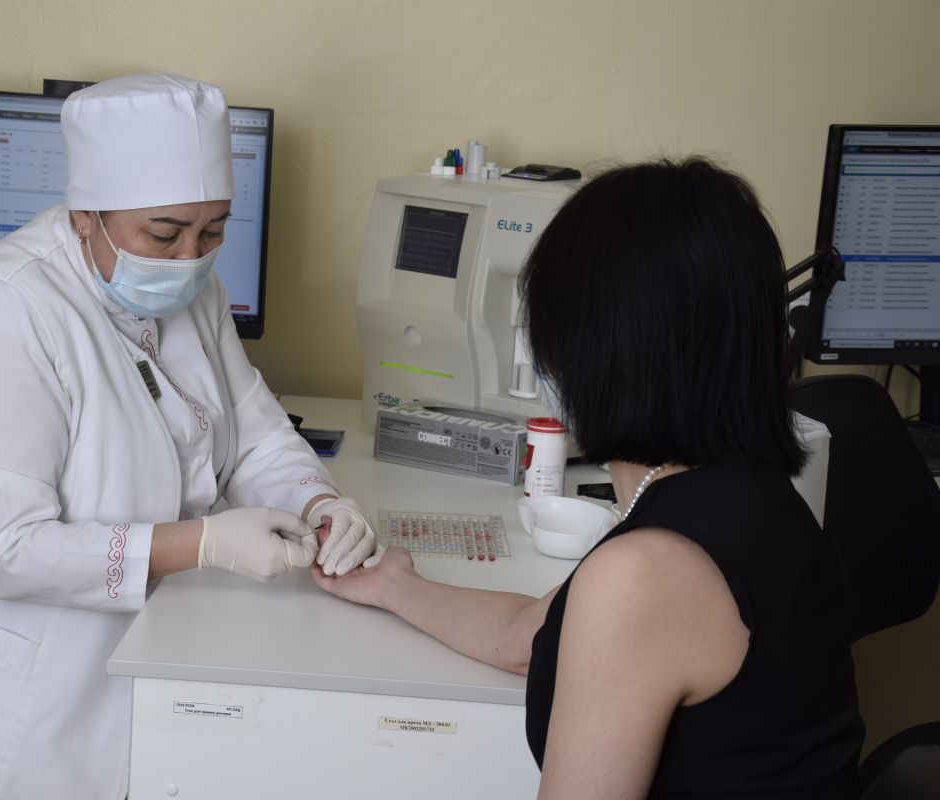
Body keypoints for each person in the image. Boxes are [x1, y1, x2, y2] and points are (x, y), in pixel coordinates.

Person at [0, 73, 379, 799]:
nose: (189, 257)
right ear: (85, 215)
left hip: (146, 645)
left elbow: (254, 434)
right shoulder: (2, 312)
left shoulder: (196, 291)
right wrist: (202, 543)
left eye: (213, 230)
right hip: (18, 692)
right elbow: (8, 553)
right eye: (163, 233)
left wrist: (321, 503)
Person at [313, 159, 865, 798]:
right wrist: (394, 585)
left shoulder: (645, 574)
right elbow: (530, 636)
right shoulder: (756, 500)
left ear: (593, 353)